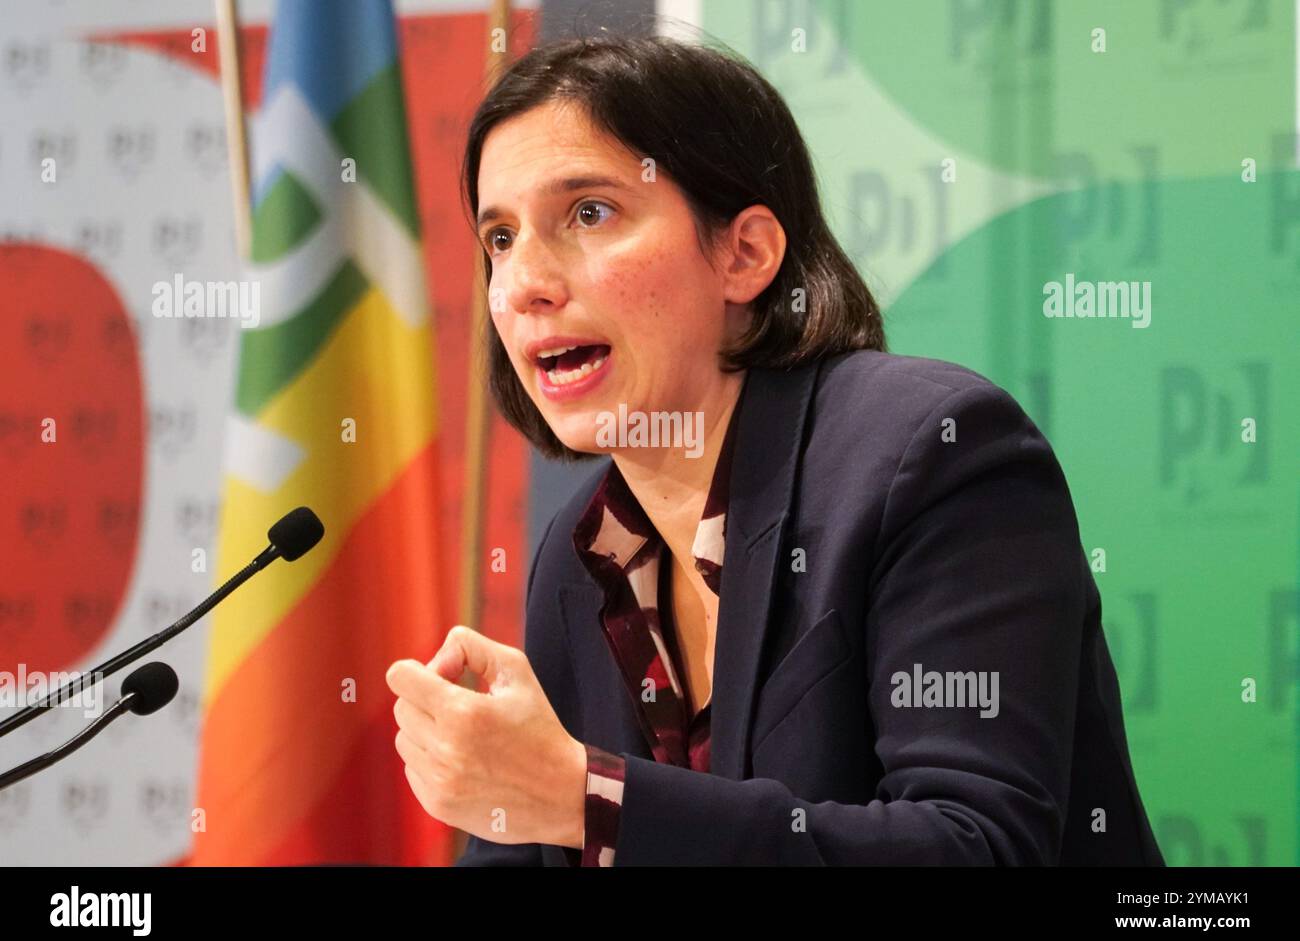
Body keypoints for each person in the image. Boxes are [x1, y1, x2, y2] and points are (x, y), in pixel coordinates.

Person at [384, 34, 1164, 866]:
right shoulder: (583, 550)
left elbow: (979, 847)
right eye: (501, 239)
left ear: (745, 253)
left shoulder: (933, 456)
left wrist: (592, 800)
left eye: (589, 213)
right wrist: (523, 795)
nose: (524, 285)